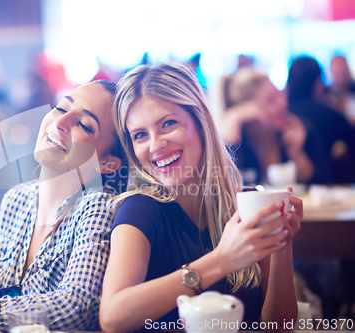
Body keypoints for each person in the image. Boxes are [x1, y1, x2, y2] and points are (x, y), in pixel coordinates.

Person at [99, 63, 301, 332]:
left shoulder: (248, 206)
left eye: (168, 123)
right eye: (140, 135)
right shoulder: (140, 210)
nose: (155, 145)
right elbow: (113, 317)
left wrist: (282, 246)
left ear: (201, 121)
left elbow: (280, 327)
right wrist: (221, 261)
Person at [0, 80, 126, 332]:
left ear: (107, 163)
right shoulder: (16, 198)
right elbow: (4, 300)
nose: (60, 123)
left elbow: (75, 306)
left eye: (85, 125)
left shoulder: (98, 206)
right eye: (62, 108)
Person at [218, 67, 331, 185]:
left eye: (281, 95)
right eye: (271, 100)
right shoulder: (239, 142)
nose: (282, 103)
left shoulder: (299, 129)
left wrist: (296, 152)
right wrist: (234, 116)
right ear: (248, 108)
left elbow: (323, 185)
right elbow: (220, 187)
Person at [287, 56, 355, 184]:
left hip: (289, 187)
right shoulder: (329, 113)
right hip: (327, 184)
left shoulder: (283, 114)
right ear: (318, 83)